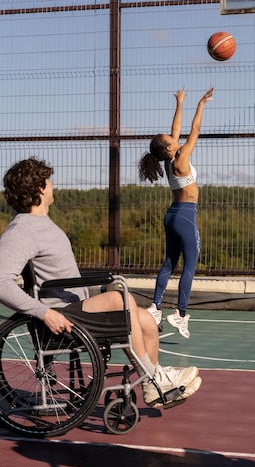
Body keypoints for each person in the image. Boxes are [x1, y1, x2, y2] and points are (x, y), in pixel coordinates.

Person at [0, 157, 202, 408]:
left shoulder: (40, 224)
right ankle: (155, 378)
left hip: (77, 309)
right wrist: (45, 313)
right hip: (61, 316)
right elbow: (1, 283)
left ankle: (152, 384)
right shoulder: (22, 230)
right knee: (122, 298)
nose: (52, 185)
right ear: (41, 188)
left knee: (147, 319)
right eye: (48, 181)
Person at [139, 86, 213, 339]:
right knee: (189, 266)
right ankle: (180, 314)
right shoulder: (180, 159)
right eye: (171, 141)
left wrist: (180, 103)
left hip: (171, 215)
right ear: (169, 149)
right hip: (185, 216)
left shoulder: (170, 160)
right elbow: (195, 131)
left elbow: (176, 130)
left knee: (169, 263)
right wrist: (201, 104)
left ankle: (155, 306)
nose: (175, 139)